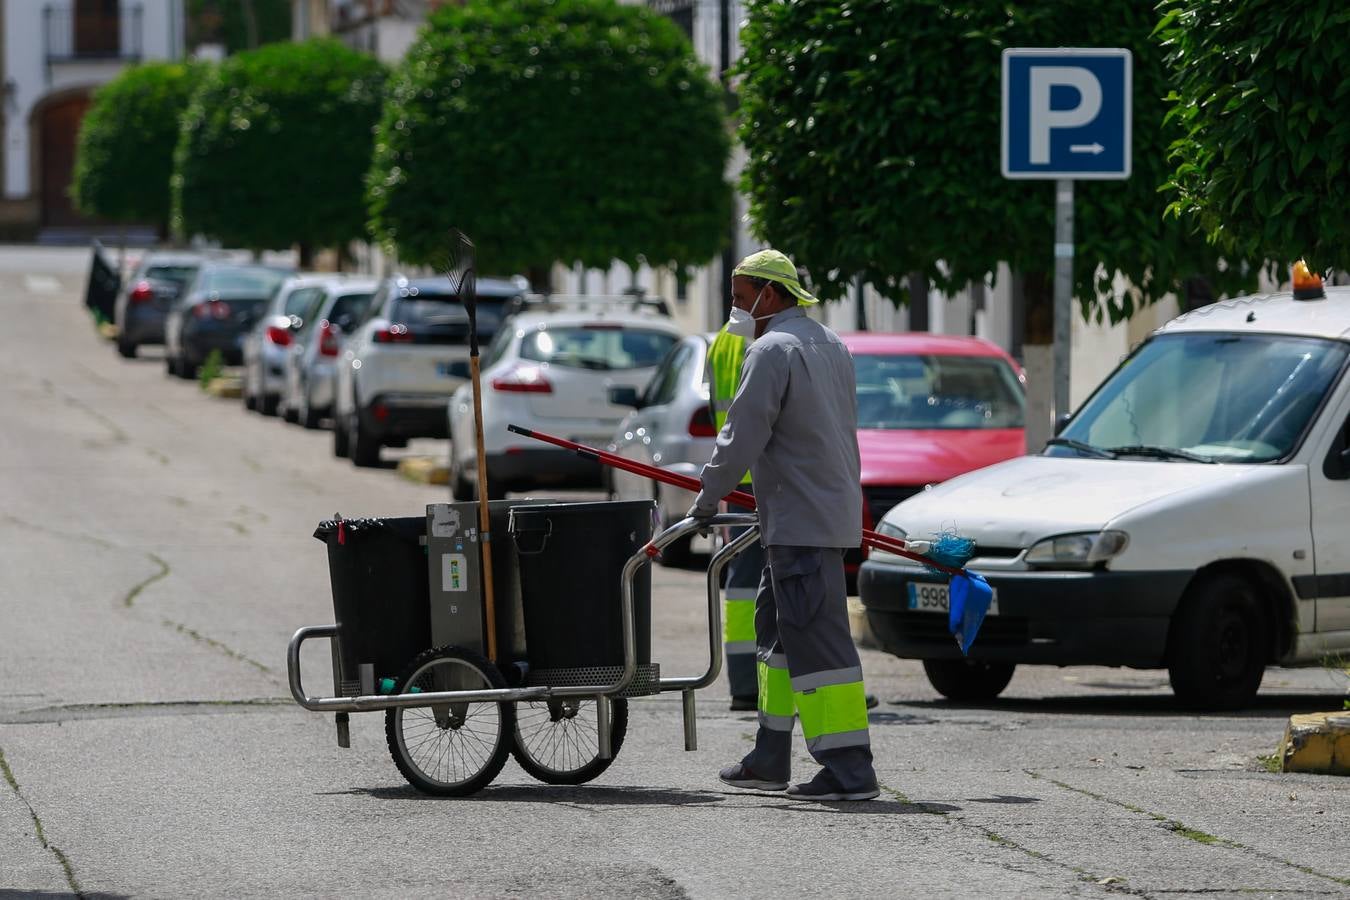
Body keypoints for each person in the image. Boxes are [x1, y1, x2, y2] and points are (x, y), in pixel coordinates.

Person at [689, 249, 878, 802]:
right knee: (776, 637)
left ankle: (848, 770)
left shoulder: (772, 350)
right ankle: (769, 757)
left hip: (801, 524)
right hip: (810, 517)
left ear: (771, 295)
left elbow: (742, 434)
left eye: (741, 299)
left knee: (819, 647)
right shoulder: (829, 342)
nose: (736, 310)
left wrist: (707, 496)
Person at [705, 324, 762, 710]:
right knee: (778, 582)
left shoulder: (722, 340)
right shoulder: (764, 338)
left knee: (742, 584)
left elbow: (718, 412)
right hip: (763, 477)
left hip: (736, 479)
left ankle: (744, 682)